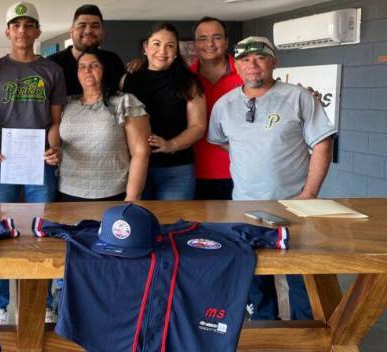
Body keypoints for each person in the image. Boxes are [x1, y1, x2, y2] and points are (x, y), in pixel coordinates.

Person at [208, 36, 336, 320]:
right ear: (236, 66)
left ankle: (307, 336)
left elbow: (323, 144)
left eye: (259, 58)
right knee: (254, 272)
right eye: (244, 60)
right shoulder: (224, 105)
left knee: (300, 274)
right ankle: (266, 327)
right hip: (244, 206)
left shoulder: (298, 97)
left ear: (273, 62)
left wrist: (309, 194)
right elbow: (220, 140)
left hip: (293, 204)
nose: (252, 65)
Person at [0, 2, 66, 324]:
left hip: (39, 163)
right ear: (7, 31)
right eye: (16, 25)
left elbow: (56, 121)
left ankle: (41, 302)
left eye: (29, 25)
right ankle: (0, 305)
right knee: (1, 232)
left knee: (41, 233)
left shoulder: (51, 71)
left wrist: (54, 148)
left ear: (37, 31)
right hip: (3, 162)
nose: (22, 31)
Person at [120, 23, 206, 201]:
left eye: (170, 45)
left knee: (174, 225)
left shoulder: (189, 82)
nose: (162, 51)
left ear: (176, 51)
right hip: (133, 169)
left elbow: (198, 126)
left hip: (176, 170)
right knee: (139, 224)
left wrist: (171, 145)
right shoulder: (128, 80)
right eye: (156, 44)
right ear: (145, 47)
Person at [58, 49, 151, 202]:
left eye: (94, 65)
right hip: (68, 192)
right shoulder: (67, 104)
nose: (87, 70)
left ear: (105, 69)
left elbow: (141, 153)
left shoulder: (125, 102)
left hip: (112, 193)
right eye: (81, 66)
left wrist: (132, 197)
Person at [190, 17, 242, 200]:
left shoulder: (247, 73)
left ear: (227, 41)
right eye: (202, 38)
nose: (209, 44)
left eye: (217, 37)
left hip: (239, 172)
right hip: (192, 173)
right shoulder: (184, 78)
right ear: (195, 44)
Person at [47, 4, 125, 96]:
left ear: (102, 31)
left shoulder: (113, 60)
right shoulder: (51, 64)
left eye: (95, 26)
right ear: (71, 30)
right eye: (82, 26)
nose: (88, 31)